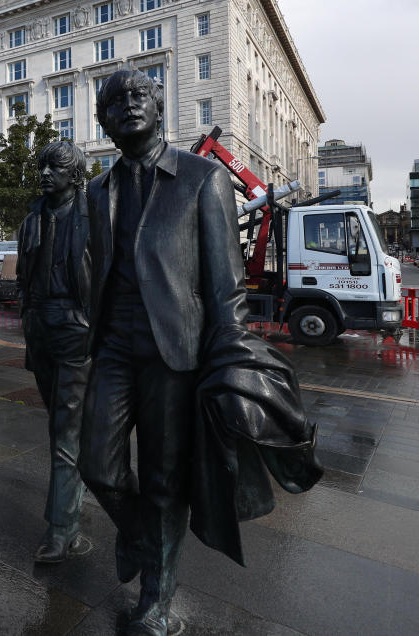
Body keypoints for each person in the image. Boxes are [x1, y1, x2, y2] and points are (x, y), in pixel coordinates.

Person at [80, 70, 319, 635]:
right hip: (114, 347)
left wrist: (230, 357)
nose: (130, 105)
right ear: (104, 121)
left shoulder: (203, 179)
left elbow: (225, 285)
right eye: (116, 101)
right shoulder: (97, 192)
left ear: (160, 108)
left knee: (164, 479)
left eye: (141, 95)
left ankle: (157, 596)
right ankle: (140, 537)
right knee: (98, 465)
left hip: (176, 353)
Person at [16, 141, 92, 563]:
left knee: (65, 430)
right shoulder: (31, 221)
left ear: (75, 174)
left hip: (77, 329)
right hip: (41, 327)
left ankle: (61, 527)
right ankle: (75, 493)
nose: (46, 172)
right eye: (42, 165)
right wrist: (28, 316)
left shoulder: (95, 214)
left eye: (56, 166)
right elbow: (26, 277)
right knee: (61, 426)